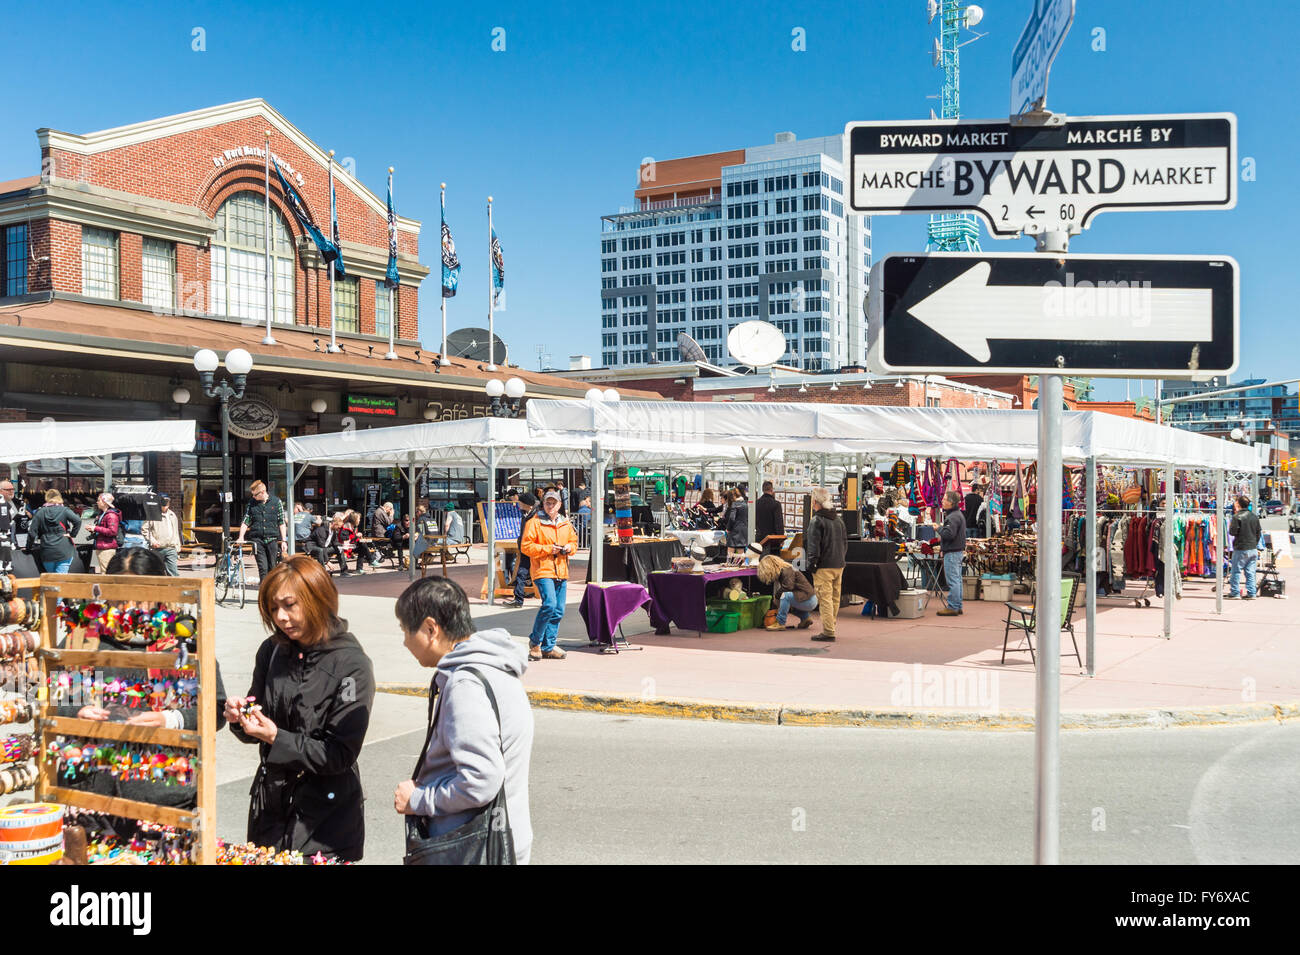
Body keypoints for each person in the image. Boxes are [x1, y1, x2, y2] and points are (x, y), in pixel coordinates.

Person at [226, 555, 375, 862]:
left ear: (318, 599)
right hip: (269, 813)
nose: (281, 617)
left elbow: (339, 755)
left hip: (325, 825)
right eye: (273, 608)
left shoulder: (351, 664)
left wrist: (275, 737)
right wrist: (242, 718)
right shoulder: (271, 651)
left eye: (290, 605)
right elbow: (259, 718)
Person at [58, 547, 228, 812]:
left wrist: (169, 719)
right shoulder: (83, 637)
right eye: (119, 599)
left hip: (164, 795)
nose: (128, 609)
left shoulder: (184, 642)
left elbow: (216, 710)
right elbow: (52, 698)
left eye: (139, 599)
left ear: (159, 592)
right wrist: (76, 709)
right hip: (90, 793)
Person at [392, 576, 534, 864]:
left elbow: (480, 780)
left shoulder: (465, 685)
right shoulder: (496, 667)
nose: (405, 642)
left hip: (471, 848)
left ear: (431, 629)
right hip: (500, 839)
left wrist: (419, 799)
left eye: (406, 631)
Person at [520, 489, 577, 661]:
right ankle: (535, 642)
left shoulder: (565, 523)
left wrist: (568, 548)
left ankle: (548, 646)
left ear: (559, 505)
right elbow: (525, 546)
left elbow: (573, 542)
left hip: (561, 570)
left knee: (559, 610)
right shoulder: (535, 522)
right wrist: (547, 550)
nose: (550, 506)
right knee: (550, 604)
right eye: (547, 502)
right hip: (543, 569)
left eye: (553, 503)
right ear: (543, 504)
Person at [805, 487, 846, 642]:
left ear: (815, 502)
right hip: (839, 564)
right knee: (835, 598)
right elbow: (845, 543)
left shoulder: (817, 521)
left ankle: (828, 631)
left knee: (825, 599)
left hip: (823, 566)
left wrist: (812, 564)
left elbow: (813, 546)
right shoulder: (838, 520)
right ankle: (831, 626)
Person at [236, 480, 288, 581]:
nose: (253, 497)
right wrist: (241, 536)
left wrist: (283, 540)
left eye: (255, 495)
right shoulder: (252, 503)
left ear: (263, 492)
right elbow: (246, 521)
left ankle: (272, 591)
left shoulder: (276, 502)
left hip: (272, 539)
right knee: (263, 568)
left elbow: (281, 522)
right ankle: (263, 592)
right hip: (257, 539)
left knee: (273, 567)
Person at [756, 554, 817, 631]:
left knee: (785, 596)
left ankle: (780, 623)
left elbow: (788, 587)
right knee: (786, 602)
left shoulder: (787, 571)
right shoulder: (787, 570)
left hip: (809, 600)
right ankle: (805, 618)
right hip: (808, 599)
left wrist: (776, 597)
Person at [30, 488, 82, 573]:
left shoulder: (40, 512)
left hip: (47, 549)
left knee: (50, 578)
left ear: (47, 498)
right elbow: (78, 521)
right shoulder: (64, 510)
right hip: (64, 548)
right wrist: (72, 534)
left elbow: (32, 532)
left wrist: (28, 547)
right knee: (60, 579)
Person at [937, 490, 968, 617]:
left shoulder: (953, 517)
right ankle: (957, 605)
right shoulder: (957, 514)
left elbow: (948, 535)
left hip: (952, 552)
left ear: (950, 502)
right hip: (957, 551)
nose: (942, 501)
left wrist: (938, 528)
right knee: (957, 579)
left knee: (953, 580)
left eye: (944, 499)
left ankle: (953, 606)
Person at [1228, 494, 1262, 599]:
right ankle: (1252, 593)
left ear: (1238, 504)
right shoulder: (1254, 517)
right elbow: (1258, 533)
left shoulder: (1237, 517)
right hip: (1252, 548)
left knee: (1236, 571)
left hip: (1241, 547)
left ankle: (1235, 592)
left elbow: (1232, 532)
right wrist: (1254, 543)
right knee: (1250, 572)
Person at [508, 492, 538, 609]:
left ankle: (548, 599)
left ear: (527, 504)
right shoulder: (525, 514)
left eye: (521, 502)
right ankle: (518, 599)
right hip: (525, 548)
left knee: (540, 575)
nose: (518, 503)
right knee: (521, 573)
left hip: (535, 549)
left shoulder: (537, 516)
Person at [142, 493, 182, 576]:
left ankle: (175, 588)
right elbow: (145, 529)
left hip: (171, 547)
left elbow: (175, 532)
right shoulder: (152, 515)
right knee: (156, 573)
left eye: (167, 502)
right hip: (158, 548)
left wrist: (178, 546)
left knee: (173, 573)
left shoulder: (172, 515)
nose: (165, 505)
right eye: (163, 502)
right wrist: (153, 541)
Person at [89, 492, 122, 574]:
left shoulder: (111, 515)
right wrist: (94, 529)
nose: (97, 502)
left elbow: (112, 531)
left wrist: (96, 528)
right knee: (105, 571)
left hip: (106, 548)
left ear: (105, 502)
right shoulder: (103, 514)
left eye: (99, 500)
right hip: (103, 546)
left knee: (106, 572)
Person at [755, 480, 785, 556]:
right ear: (772, 490)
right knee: (773, 563)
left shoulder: (756, 503)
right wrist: (781, 539)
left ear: (763, 490)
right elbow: (779, 523)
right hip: (773, 540)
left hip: (759, 539)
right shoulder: (776, 504)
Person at [722, 487, 749, 555]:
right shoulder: (745, 504)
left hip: (735, 531)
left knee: (730, 551)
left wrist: (728, 529)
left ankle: (729, 564)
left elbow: (732, 518)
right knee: (741, 552)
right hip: (744, 530)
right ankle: (741, 564)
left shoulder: (735, 504)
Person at [0, 479, 18, 574]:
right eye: (8, 489)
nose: (12, 491)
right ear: (0, 491)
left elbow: (13, 520)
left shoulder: (11, 502)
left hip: (10, 540)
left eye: (13, 488)